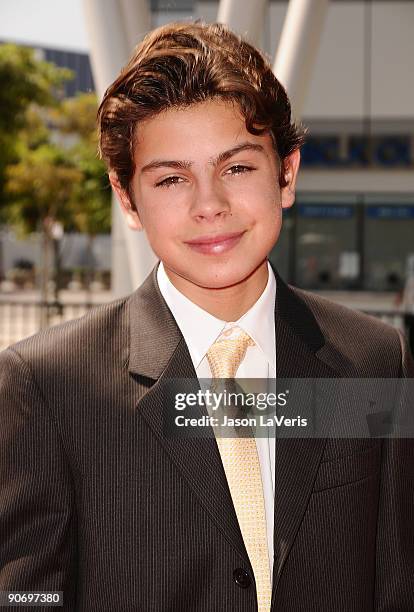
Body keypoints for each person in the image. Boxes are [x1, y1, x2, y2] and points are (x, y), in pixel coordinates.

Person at [0, 21, 413, 612]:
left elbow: (395, 579)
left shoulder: (375, 361)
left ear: (287, 175)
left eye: (237, 168)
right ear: (127, 199)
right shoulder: (47, 384)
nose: (209, 205)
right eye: (171, 179)